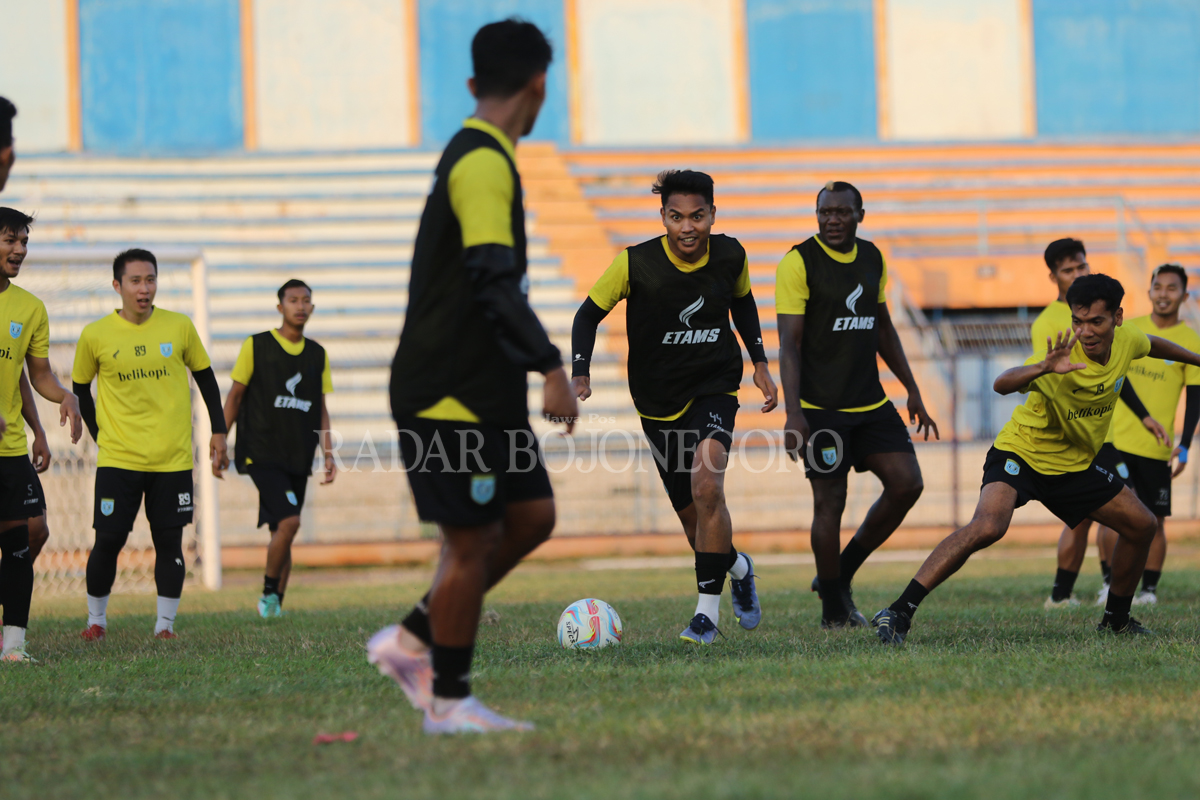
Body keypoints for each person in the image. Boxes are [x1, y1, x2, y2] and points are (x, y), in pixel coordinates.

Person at [366, 18, 577, 735]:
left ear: (472, 84)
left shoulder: (481, 154)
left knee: (530, 517)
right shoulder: (483, 161)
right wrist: (550, 363)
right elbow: (492, 281)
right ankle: (449, 703)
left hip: (482, 391)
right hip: (447, 390)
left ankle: (412, 638)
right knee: (469, 542)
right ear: (540, 86)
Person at [874, 274, 1200, 645]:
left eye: (1097, 321)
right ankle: (899, 610)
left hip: (1073, 465)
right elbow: (1002, 382)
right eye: (1079, 321)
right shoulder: (1061, 355)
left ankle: (1116, 620)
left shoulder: (1128, 341)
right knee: (989, 525)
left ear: (1118, 318)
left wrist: (1196, 359)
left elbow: (1154, 345)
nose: (1086, 331)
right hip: (1022, 452)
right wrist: (1043, 368)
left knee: (1142, 524)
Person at [570, 169, 775, 645]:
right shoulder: (634, 263)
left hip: (715, 388)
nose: (688, 227)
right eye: (676, 217)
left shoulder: (731, 254)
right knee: (693, 522)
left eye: (698, 216)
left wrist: (760, 362)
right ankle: (739, 568)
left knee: (708, 489)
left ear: (712, 215)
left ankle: (706, 618)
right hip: (658, 405)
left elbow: (743, 304)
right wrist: (580, 370)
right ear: (662, 217)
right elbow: (587, 313)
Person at [776, 181, 937, 629]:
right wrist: (794, 413)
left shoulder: (873, 258)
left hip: (871, 403)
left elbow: (883, 328)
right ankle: (833, 610)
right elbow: (789, 345)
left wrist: (912, 387)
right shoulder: (798, 262)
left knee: (908, 483)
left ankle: (839, 573)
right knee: (830, 503)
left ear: (860, 215)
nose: (832, 220)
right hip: (821, 408)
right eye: (824, 212)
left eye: (842, 212)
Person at [72, 248, 228, 641]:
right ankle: (96, 620)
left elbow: (207, 379)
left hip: (171, 459)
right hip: (118, 459)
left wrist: (219, 430)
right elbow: (79, 388)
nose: (145, 289)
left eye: (151, 280)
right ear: (117, 286)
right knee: (108, 539)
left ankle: (165, 627)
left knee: (170, 541)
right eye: (136, 281)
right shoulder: (95, 335)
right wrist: (99, 434)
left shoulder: (179, 327)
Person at [1036, 239, 1165, 607]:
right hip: (1073, 439)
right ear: (1053, 276)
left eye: (1081, 265)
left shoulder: (1109, 318)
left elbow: (1113, 374)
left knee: (1092, 517)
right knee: (1119, 512)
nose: (1077, 273)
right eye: (1068, 269)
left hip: (1103, 436)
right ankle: (1102, 588)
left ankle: (1066, 595)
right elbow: (1040, 381)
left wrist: (1144, 417)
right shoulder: (1048, 322)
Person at [223, 279, 336, 617]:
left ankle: (276, 607)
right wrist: (219, 439)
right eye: (293, 300)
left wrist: (329, 453)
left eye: (306, 301)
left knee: (282, 530)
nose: (300, 306)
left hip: (299, 454)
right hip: (261, 451)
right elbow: (235, 395)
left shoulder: (318, 355)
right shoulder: (257, 346)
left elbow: (321, 408)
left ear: (312, 308)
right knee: (290, 521)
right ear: (280, 307)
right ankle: (268, 594)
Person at [1090, 265, 1200, 606]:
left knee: (1155, 519)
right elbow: (1114, 379)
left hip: (1157, 449)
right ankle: (1110, 585)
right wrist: (1143, 417)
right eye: (1158, 287)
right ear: (1150, 291)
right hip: (1115, 441)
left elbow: (1194, 398)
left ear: (1184, 295)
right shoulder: (1129, 328)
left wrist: (1183, 446)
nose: (1163, 293)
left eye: (1172, 288)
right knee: (1113, 515)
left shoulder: (1191, 341)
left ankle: (1148, 591)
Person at [0, 208, 82, 662]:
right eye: (10, 240)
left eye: (24, 242)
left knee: (27, 536)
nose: (20, 250)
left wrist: (62, 399)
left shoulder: (30, 308)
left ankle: (13, 648)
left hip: (9, 448)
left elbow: (34, 376)